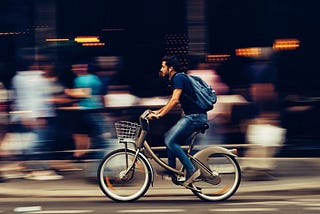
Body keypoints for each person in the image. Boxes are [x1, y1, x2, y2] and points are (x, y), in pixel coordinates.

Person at [147, 55, 208, 187]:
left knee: (170, 141)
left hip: (194, 117)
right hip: (193, 116)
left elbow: (174, 100)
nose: (161, 69)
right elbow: (172, 101)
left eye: (163, 66)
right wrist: (156, 112)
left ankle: (191, 171)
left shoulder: (178, 78)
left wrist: (160, 115)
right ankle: (172, 170)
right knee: (168, 137)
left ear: (171, 68)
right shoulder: (178, 78)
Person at [9, 61, 63, 180]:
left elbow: (19, 98)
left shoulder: (18, 78)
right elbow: (36, 99)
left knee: (37, 142)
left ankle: (38, 168)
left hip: (33, 115)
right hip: (39, 115)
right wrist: (39, 116)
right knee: (38, 143)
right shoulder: (35, 79)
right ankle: (36, 170)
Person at [64, 62, 110, 179]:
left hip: (87, 112)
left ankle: (98, 171)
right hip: (95, 111)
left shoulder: (80, 79)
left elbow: (84, 94)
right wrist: (104, 110)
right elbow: (100, 96)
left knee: (102, 142)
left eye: (76, 66)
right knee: (101, 140)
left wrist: (68, 92)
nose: (74, 68)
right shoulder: (95, 78)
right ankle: (100, 170)